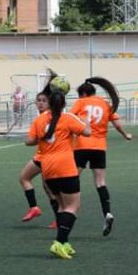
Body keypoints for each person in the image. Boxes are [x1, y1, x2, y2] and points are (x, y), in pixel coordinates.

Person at [26, 82, 93, 260]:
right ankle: (59, 242)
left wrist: (42, 139)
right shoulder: (68, 118)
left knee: (62, 206)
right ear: (63, 104)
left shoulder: (39, 119)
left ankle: (64, 243)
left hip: (47, 169)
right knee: (73, 206)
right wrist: (85, 121)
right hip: (65, 167)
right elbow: (87, 133)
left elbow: (29, 141)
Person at [69, 76, 132, 237]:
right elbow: (117, 124)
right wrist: (126, 135)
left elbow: (69, 119)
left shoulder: (81, 103)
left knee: (73, 177)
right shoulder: (105, 104)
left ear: (83, 93)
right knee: (100, 182)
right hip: (99, 147)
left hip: (82, 145)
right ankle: (107, 213)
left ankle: (69, 209)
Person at [17, 90, 56, 224]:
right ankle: (57, 218)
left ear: (50, 103)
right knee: (48, 188)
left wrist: (34, 139)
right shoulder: (57, 116)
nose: (40, 103)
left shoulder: (41, 119)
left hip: (44, 157)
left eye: (44, 101)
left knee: (24, 178)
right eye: (38, 100)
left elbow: (29, 141)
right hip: (52, 157)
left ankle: (34, 208)